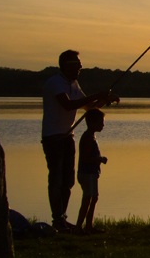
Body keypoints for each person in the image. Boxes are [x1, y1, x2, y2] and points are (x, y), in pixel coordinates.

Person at [41, 50, 117, 231]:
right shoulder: (55, 83)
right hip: (53, 137)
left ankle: (62, 218)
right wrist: (96, 95)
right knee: (56, 179)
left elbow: (88, 107)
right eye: (77, 65)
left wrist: (104, 100)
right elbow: (67, 105)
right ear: (66, 65)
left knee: (68, 181)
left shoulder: (73, 84)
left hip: (68, 137)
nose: (80, 68)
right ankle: (57, 220)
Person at [75, 108, 107, 233]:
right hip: (87, 174)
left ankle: (88, 226)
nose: (103, 125)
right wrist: (100, 159)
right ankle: (79, 227)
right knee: (88, 198)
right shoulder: (88, 137)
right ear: (92, 123)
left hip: (91, 174)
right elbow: (87, 158)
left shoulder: (90, 136)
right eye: (101, 122)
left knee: (93, 198)